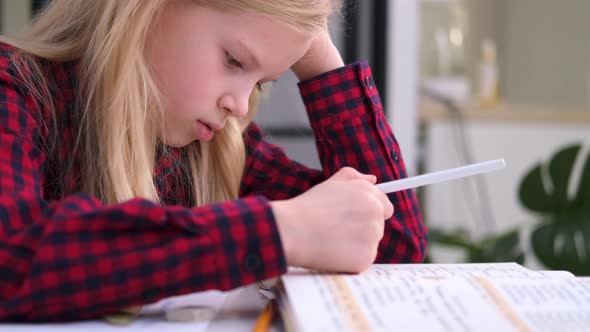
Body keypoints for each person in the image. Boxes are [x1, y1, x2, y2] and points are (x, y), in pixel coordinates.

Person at [0, 0, 426, 322]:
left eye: (260, 82)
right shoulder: (14, 92)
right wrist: (279, 230)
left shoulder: (209, 151)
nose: (240, 106)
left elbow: (391, 244)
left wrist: (320, 61)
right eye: (235, 61)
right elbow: (11, 257)